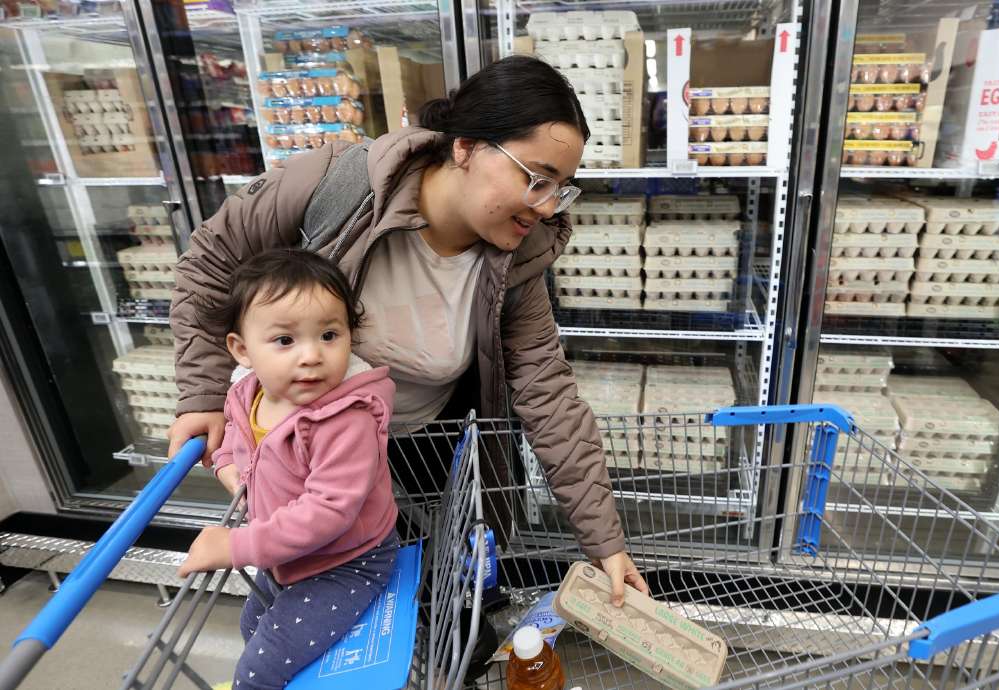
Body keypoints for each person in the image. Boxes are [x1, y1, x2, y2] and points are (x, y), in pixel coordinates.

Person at [168, 55, 648, 605]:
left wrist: (605, 543)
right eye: (535, 179)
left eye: (561, 189)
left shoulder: (518, 262)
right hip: (308, 450)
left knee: (438, 599)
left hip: (425, 450)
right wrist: (202, 395)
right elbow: (207, 265)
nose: (544, 206)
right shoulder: (339, 183)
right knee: (339, 600)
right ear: (465, 145)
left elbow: (549, 395)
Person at [176, 248, 399, 690]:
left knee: (258, 671)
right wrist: (225, 464)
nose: (312, 356)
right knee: (251, 629)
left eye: (330, 335)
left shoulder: (345, 419)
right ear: (242, 349)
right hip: (286, 554)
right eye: (285, 340)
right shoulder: (248, 396)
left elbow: (329, 512)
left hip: (348, 561)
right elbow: (241, 443)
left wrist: (237, 545)